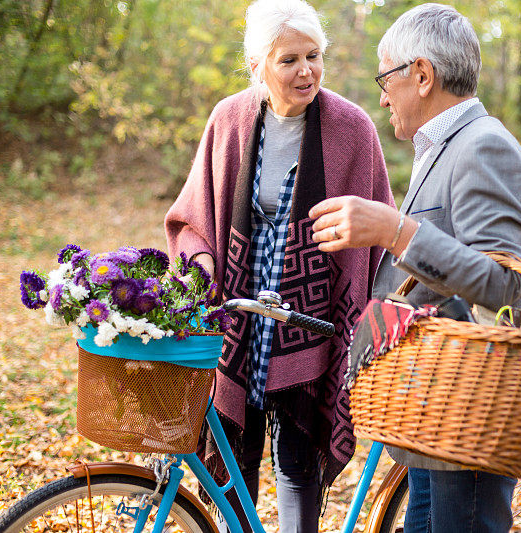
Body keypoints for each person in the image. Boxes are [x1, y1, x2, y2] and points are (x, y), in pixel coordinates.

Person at [309, 4, 521, 532]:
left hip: (475, 406)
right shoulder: (441, 148)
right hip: (436, 407)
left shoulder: (483, 147)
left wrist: (395, 230)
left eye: (386, 76)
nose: (382, 93)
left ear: (422, 74)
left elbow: (504, 283)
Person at [164, 0, 394, 531]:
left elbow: (377, 232)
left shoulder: (352, 130)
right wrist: (201, 269)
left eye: (314, 56)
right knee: (234, 464)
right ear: (257, 66)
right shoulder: (230, 119)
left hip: (310, 325)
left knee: (297, 465)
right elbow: (193, 218)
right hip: (238, 319)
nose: (306, 70)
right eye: (289, 59)